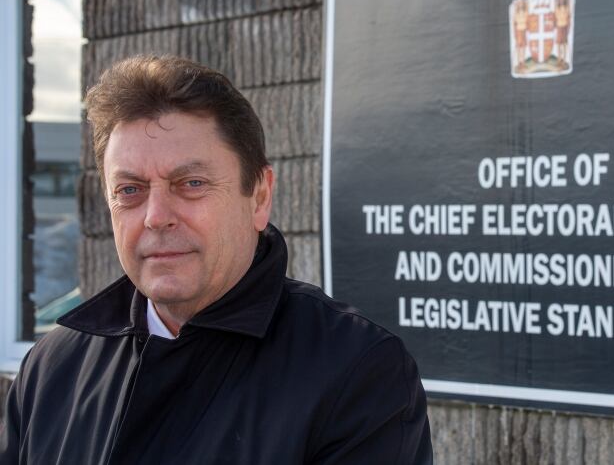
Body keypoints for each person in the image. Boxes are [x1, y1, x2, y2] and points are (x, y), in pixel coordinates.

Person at [0, 55, 433, 464]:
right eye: (130, 190)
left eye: (190, 183)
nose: (155, 217)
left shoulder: (356, 372)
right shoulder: (53, 370)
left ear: (259, 197)